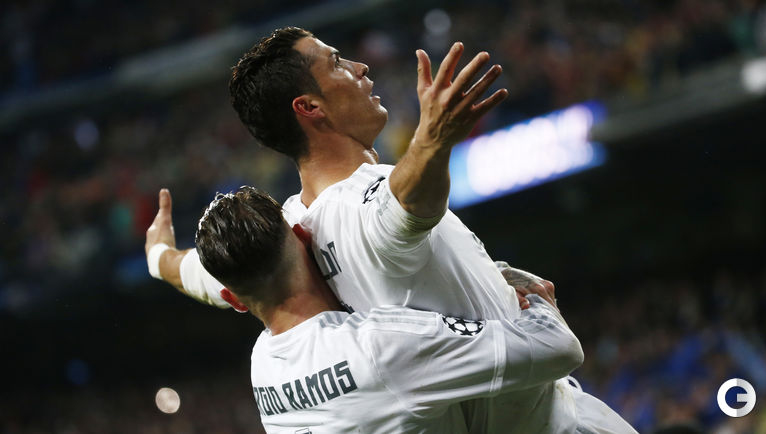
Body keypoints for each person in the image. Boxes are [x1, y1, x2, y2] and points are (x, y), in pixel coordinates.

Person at [145, 27, 637, 432]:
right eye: (336, 62)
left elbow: (199, 272)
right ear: (310, 107)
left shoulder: (282, 234)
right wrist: (432, 141)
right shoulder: (360, 209)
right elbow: (404, 208)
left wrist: (160, 257)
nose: (359, 68)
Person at [193, 186, 585, 433]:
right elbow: (558, 348)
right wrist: (533, 294)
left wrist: (164, 257)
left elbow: (199, 276)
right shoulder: (378, 347)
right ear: (301, 235)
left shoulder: (262, 366)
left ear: (234, 300)